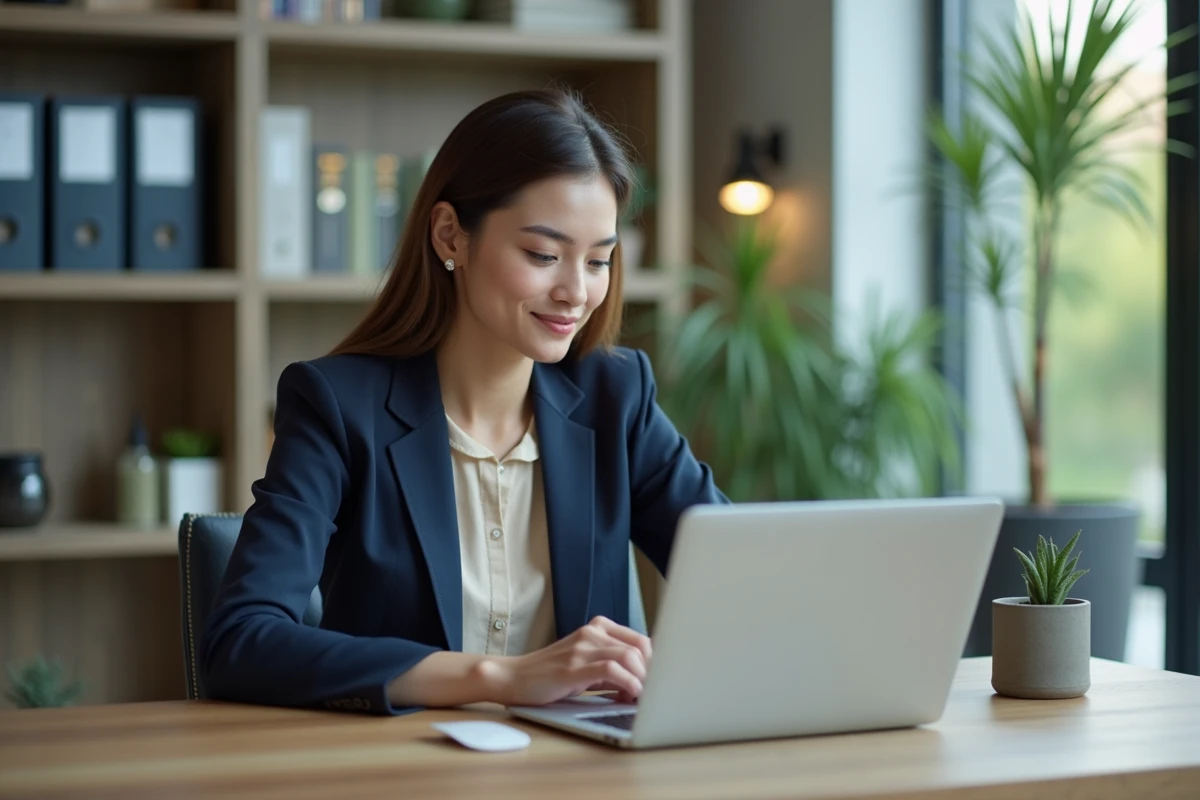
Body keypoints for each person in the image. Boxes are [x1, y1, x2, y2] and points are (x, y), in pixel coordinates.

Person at [200, 88, 727, 716]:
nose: (576, 292)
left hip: (581, 770)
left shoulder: (617, 399)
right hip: (404, 767)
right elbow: (242, 641)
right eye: (543, 255)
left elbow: (741, 580)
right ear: (451, 234)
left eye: (599, 261)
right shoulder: (336, 406)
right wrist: (500, 678)